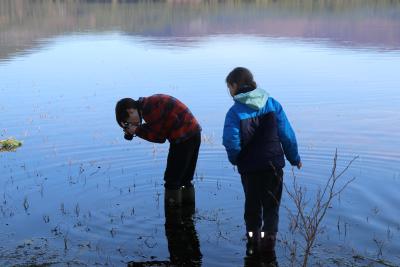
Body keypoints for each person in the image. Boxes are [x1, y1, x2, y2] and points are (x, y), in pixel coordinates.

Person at [222, 67, 302, 265]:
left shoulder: (234, 112)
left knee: (252, 207)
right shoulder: (273, 104)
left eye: (229, 87)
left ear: (234, 85)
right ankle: (269, 245)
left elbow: (231, 141)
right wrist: (294, 158)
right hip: (273, 166)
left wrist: (235, 159)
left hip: (250, 169)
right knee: (271, 208)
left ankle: (252, 241)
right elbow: (287, 135)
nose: (229, 91)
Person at [115, 94, 201, 207]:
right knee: (185, 180)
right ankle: (189, 215)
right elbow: (158, 129)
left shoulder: (149, 109)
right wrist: (138, 129)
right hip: (194, 134)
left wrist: (136, 130)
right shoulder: (150, 103)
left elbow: (159, 138)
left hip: (183, 139)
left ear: (130, 111)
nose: (132, 124)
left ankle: (172, 219)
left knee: (172, 182)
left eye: (128, 122)